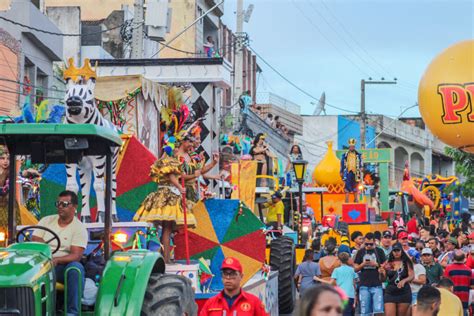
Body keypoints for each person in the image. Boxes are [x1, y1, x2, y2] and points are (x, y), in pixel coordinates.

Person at [134, 136, 197, 263]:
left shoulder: (162, 160)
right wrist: (180, 187)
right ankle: (166, 259)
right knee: (167, 230)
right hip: (169, 197)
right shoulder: (170, 161)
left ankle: (164, 257)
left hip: (161, 195)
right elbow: (171, 176)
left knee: (165, 230)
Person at [32, 191, 88, 316]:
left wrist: (57, 260)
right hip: (42, 262)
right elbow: (35, 239)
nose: (60, 207)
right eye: (58, 203)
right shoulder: (46, 221)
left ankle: (72, 312)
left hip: (61, 266)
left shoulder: (79, 228)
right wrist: (47, 253)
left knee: (75, 269)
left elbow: (76, 255)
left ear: (74, 207)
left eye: (65, 204)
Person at [200, 257, 268, 315]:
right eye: (225, 274)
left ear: (241, 276)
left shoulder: (254, 302)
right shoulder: (210, 304)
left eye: (232, 274)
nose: (228, 277)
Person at [354, 232, 386, 316]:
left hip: (377, 284)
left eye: (370, 244)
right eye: (366, 244)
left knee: (378, 311)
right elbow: (355, 268)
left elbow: (385, 266)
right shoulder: (361, 251)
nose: (368, 246)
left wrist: (376, 264)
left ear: (374, 242)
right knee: (365, 312)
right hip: (364, 284)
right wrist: (363, 264)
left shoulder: (379, 251)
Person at [380, 242, 414, 316]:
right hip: (390, 292)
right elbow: (383, 279)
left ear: (402, 251)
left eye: (398, 250)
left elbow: (412, 276)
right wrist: (381, 273)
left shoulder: (407, 262)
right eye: (394, 250)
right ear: (392, 251)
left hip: (404, 292)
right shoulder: (388, 262)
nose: (396, 252)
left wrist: (404, 280)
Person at [443, 250, 473, 314]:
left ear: (453, 258)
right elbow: (472, 286)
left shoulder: (448, 269)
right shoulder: (469, 270)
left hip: (451, 299)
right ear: (464, 258)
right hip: (464, 300)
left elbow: (444, 284)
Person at [340, 138, 363, 203]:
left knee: (356, 187)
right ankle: (346, 202)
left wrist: (361, 167)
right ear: (349, 147)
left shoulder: (358, 154)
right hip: (348, 172)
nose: (351, 147)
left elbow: (361, 163)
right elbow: (342, 163)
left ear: (354, 147)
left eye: (353, 146)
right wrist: (341, 171)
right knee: (347, 187)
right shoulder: (345, 155)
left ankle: (356, 201)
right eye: (350, 146)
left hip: (356, 173)